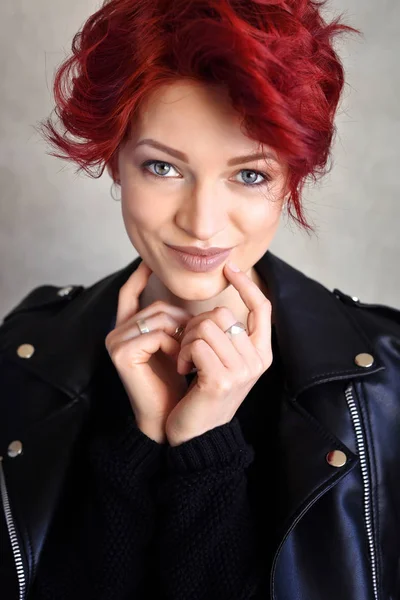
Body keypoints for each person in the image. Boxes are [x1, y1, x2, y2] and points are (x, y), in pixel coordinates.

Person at [1, 0, 400, 599]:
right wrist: (139, 444)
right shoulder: (23, 360)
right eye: (162, 167)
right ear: (115, 161)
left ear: (292, 176)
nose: (202, 223)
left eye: (250, 175)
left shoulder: (388, 380)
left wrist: (206, 445)